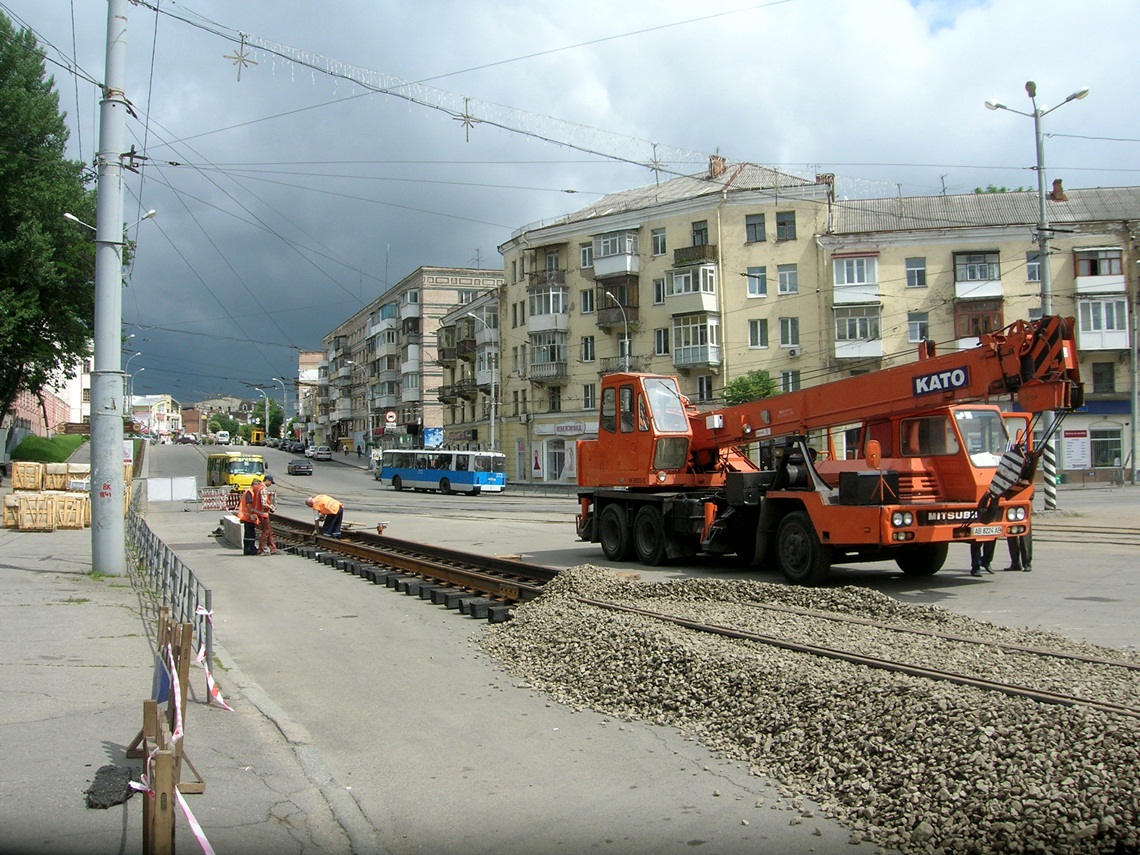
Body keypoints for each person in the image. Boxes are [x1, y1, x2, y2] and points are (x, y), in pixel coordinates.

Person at [254, 475, 279, 555]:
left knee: (269, 530)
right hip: (263, 513)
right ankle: (261, 549)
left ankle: (273, 549)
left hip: (258, 511)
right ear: (267, 480)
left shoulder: (257, 487)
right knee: (266, 531)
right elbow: (264, 503)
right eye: (270, 482)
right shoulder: (263, 489)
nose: (270, 484)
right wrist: (271, 507)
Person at [236, 481, 259, 555]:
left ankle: (247, 549)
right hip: (248, 516)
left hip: (247, 516)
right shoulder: (250, 492)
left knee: (247, 534)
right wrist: (252, 514)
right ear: (254, 485)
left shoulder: (250, 491)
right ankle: (251, 549)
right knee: (250, 534)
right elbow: (249, 504)